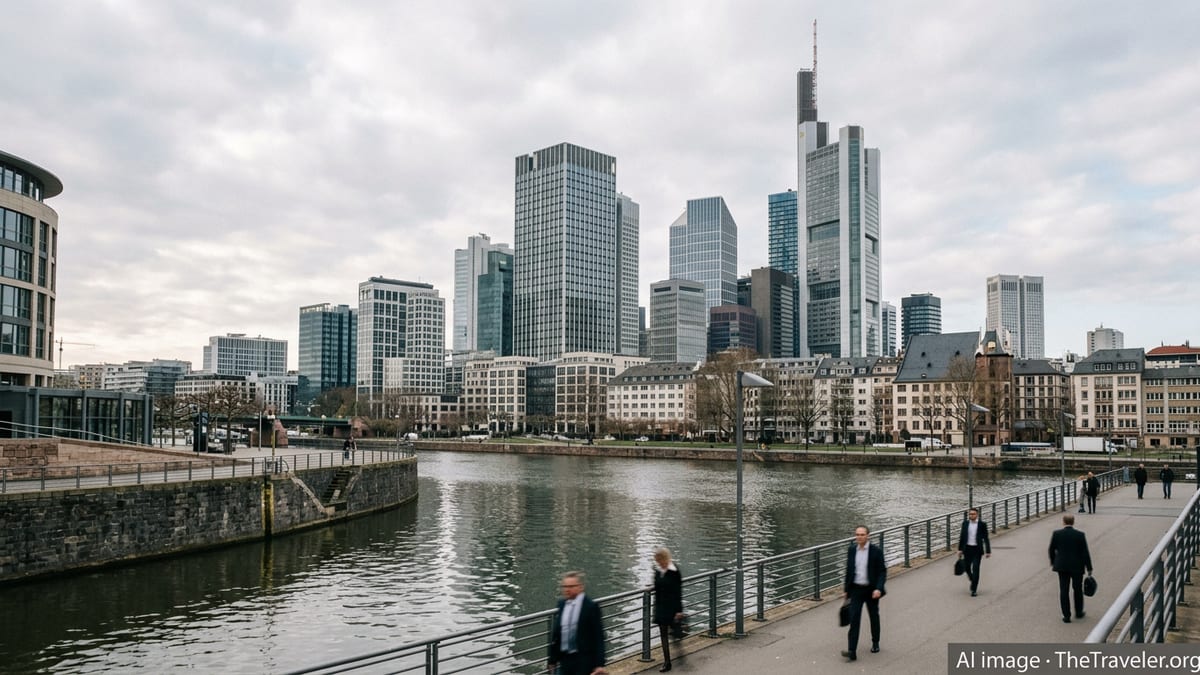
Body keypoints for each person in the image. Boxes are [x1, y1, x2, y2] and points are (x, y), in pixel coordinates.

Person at [548, 571, 607, 675]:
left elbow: (598, 636)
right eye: (565, 586)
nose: (567, 589)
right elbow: (558, 634)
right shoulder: (562, 604)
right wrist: (552, 659)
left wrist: (599, 664)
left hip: (583, 661)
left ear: (580, 587)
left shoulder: (590, 607)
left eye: (571, 586)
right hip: (565, 660)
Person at [842, 525, 886, 661]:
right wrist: (846, 590)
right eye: (857, 534)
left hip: (871, 590)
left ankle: (875, 642)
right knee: (854, 619)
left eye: (862, 534)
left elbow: (882, 572)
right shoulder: (851, 550)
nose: (859, 537)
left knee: (873, 616)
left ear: (868, 536)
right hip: (856, 590)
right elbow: (849, 571)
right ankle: (852, 651)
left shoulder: (876, 551)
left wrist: (878, 588)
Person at [1048, 514, 1093, 623]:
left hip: (1062, 566)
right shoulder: (1080, 535)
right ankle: (1078, 611)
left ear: (1063, 522)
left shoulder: (1057, 534)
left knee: (1064, 590)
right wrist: (1089, 567)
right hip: (1077, 566)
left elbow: (1051, 549)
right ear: (1073, 522)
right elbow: (1085, 553)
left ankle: (1066, 615)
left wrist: (1054, 562)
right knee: (1077, 589)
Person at [651, 547, 684, 672]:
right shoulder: (658, 570)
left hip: (672, 607)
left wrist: (679, 610)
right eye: (657, 561)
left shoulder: (674, 571)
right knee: (663, 635)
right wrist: (651, 588)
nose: (659, 563)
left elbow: (678, 591)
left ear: (665, 558)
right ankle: (667, 662)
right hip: (661, 607)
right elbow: (657, 586)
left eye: (660, 560)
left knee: (675, 633)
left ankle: (679, 651)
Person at [957, 508, 991, 597]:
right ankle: (972, 579)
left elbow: (986, 538)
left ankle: (974, 589)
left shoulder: (982, 525)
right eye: (970, 514)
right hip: (967, 549)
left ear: (977, 515)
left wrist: (988, 551)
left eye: (973, 514)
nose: (971, 515)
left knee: (976, 568)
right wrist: (959, 549)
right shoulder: (965, 524)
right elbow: (962, 537)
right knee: (967, 567)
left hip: (977, 550)